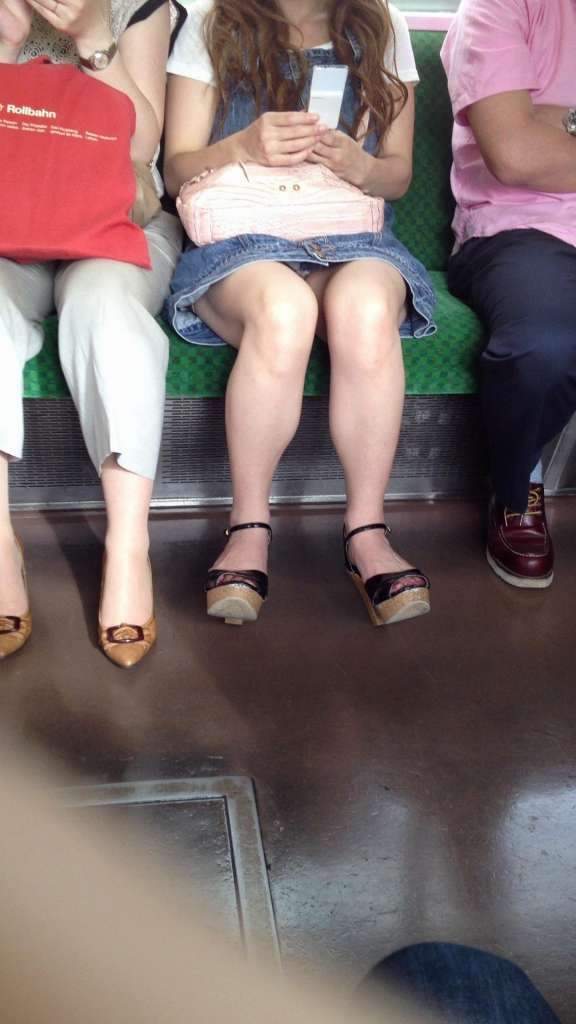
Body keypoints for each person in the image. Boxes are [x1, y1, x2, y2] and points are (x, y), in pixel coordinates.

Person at [163, 0, 436, 629]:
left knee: (366, 306)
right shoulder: (212, 20)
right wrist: (242, 144)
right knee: (284, 309)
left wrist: (363, 166)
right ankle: (248, 525)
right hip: (240, 237)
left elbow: (396, 176)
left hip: (349, 232)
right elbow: (176, 172)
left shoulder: (382, 24)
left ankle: (366, 529)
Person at [0, 0, 183, 666]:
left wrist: (94, 39)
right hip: (9, 218)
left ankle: (129, 548)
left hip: (115, 219)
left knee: (106, 306)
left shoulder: (136, 6)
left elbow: (140, 151)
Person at [441, 0, 576, 590]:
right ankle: (518, 484)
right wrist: (531, 128)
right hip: (520, 228)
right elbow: (515, 155)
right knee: (543, 345)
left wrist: (559, 120)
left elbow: (536, 138)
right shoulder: (497, 8)